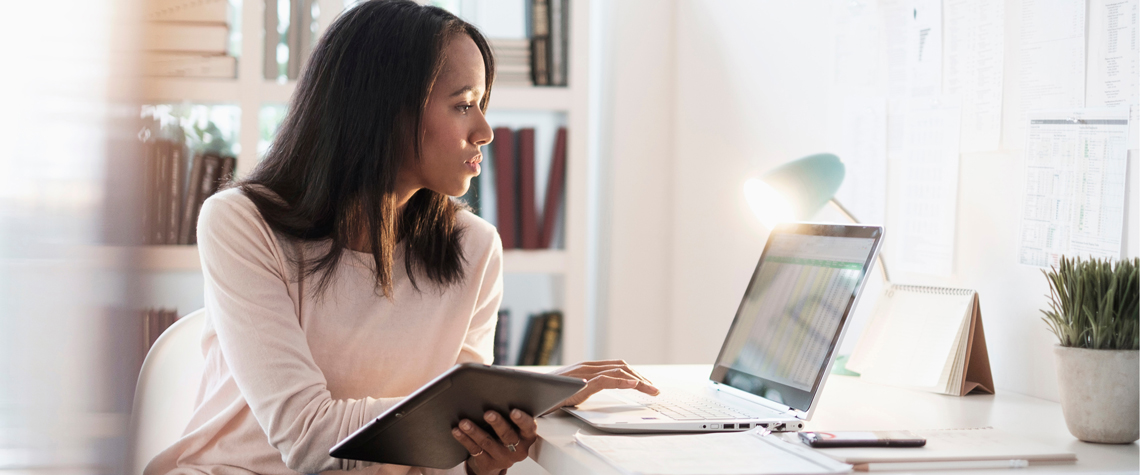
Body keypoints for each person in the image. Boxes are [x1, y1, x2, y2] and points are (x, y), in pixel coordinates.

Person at [143, 1, 658, 474]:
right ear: (385, 110)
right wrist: (520, 395)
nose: (486, 131)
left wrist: (482, 458)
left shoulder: (475, 248)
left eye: (482, 104)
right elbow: (307, 440)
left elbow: (443, 454)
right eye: (463, 105)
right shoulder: (242, 223)